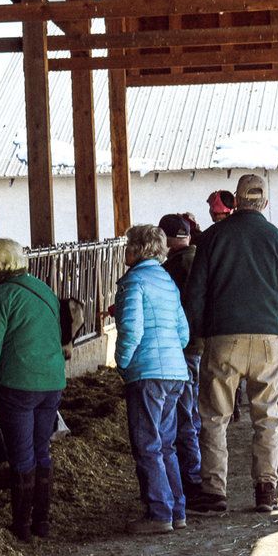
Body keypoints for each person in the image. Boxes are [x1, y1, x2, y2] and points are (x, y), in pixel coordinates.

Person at [185, 174, 278, 515]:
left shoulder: (212, 238)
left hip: (223, 338)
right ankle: (265, 489)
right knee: (266, 417)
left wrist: (200, 333)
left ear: (235, 201)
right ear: (265, 202)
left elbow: (196, 294)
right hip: (267, 338)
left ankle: (214, 492)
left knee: (214, 418)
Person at [0, 238, 66, 542]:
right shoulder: (43, 289)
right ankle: (43, 522)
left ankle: (22, 527)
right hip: (52, 382)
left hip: (18, 385)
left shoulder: (0, 296)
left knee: (21, 455)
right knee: (42, 450)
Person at [115, 224, 191, 534]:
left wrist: (121, 363)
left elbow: (132, 330)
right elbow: (183, 333)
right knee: (166, 445)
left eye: (128, 245)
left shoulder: (134, 282)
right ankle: (177, 510)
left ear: (137, 249)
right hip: (175, 372)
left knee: (147, 444)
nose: (125, 250)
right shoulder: (166, 282)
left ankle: (159, 513)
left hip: (147, 373)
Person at [158, 213, 204, 499]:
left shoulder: (178, 266)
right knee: (195, 410)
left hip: (186, 347)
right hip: (200, 345)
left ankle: (193, 478)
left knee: (186, 415)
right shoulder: (199, 258)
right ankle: (197, 472)